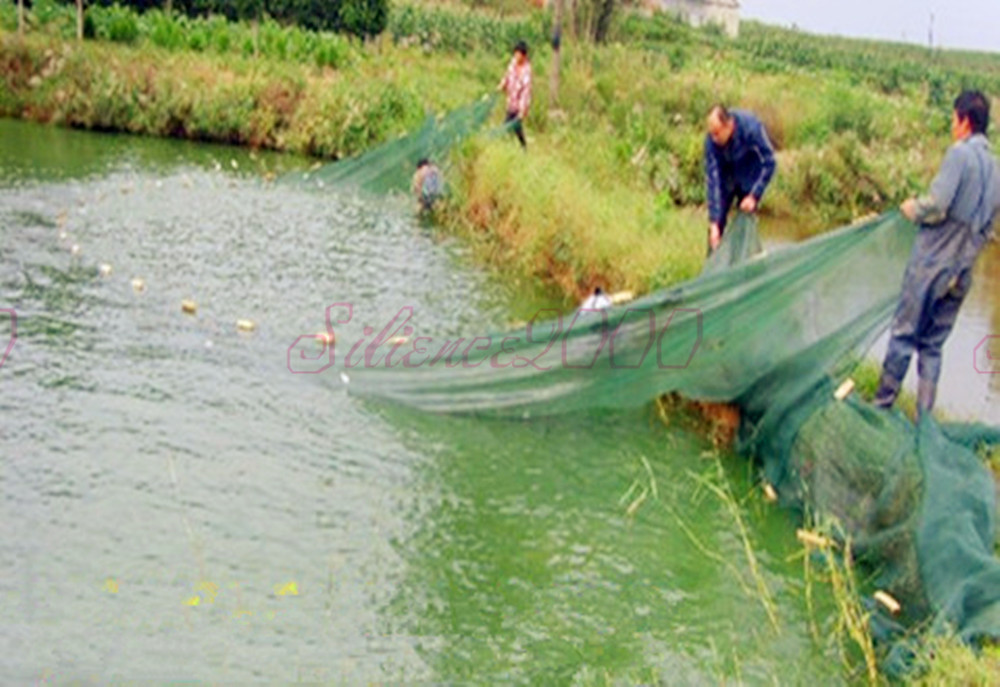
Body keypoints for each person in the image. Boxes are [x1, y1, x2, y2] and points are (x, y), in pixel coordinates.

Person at [874, 90, 1000, 417]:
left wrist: (911, 208)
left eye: (954, 119)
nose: (952, 126)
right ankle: (924, 420)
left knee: (903, 334)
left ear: (965, 121)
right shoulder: (997, 168)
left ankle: (881, 406)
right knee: (932, 346)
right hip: (962, 274)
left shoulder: (959, 155)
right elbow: (988, 229)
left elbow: (937, 205)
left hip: (932, 264)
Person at [704, 104, 777, 254]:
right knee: (715, 229)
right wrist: (714, 222)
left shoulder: (751, 128)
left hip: (749, 178)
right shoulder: (711, 142)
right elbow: (713, 179)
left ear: (729, 126)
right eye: (711, 134)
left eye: (717, 133)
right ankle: (713, 261)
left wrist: (754, 195)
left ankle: (742, 262)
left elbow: (769, 162)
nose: (713, 139)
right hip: (727, 180)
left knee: (744, 226)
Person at [497, 40, 532, 150]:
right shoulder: (513, 63)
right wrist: (502, 84)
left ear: (524, 56)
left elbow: (526, 92)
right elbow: (507, 75)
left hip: (519, 103)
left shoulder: (526, 71)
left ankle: (504, 145)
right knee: (516, 126)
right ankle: (523, 146)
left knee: (508, 123)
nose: (516, 56)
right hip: (511, 99)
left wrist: (522, 110)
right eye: (515, 53)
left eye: (518, 54)